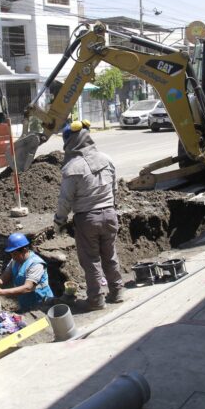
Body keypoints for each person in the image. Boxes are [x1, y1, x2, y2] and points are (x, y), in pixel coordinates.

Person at [54, 120, 123, 311]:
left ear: (71, 141)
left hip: (87, 219)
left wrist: (59, 221)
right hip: (110, 214)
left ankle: (96, 300)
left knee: (91, 260)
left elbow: (65, 201)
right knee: (110, 255)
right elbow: (115, 188)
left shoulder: (72, 167)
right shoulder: (106, 159)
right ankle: (117, 292)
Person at [0, 233, 54, 312]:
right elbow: (5, 276)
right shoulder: (14, 260)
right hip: (25, 303)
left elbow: (28, 287)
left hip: (42, 304)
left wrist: (2, 292)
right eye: (11, 254)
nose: (13, 257)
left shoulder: (36, 264)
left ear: (24, 250)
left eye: (15, 254)